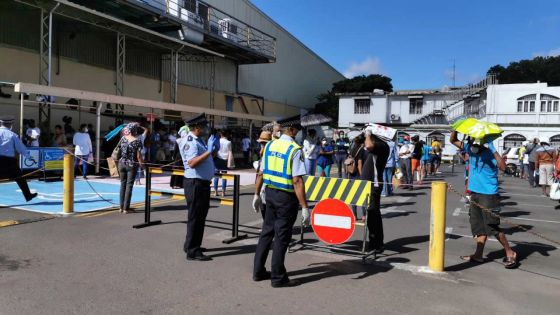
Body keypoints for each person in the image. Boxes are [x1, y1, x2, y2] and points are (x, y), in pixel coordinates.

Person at [253, 115, 309, 288]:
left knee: (266, 232)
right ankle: (278, 277)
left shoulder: (269, 145)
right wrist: (305, 207)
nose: (298, 134)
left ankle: (258, 271)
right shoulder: (294, 149)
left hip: (269, 195)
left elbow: (261, 172)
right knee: (281, 237)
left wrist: (256, 194)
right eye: (297, 131)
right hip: (286, 198)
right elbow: (297, 180)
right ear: (291, 130)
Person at [450, 131, 518, 269]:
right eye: (472, 141)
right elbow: (453, 140)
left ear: (483, 144)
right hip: (474, 193)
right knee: (478, 227)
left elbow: (503, 167)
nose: (473, 145)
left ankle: (510, 253)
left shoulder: (489, 153)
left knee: (492, 226)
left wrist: (493, 149)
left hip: (488, 195)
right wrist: (456, 128)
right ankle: (478, 255)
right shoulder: (471, 149)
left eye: (476, 143)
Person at [179, 113, 217, 262]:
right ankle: (193, 251)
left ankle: (191, 245)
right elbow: (192, 163)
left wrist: (211, 151)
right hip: (196, 184)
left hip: (201, 183)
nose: (206, 128)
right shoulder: (191, 142)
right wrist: (208, 151)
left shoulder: (199, 140)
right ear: (196, 127)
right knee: (196, 218)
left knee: (199, 217)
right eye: (203, 126)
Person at [362, 130, 389, 252]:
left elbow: (368, 145)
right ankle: (374, 242)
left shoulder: (382, 145)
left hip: (374, 184)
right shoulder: (375, 147)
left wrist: (368, 134)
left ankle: (377, 244)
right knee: (370, 214)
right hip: (367, 184)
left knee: (373, 214)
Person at [0, 116, 38, 202]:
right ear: (10, 125)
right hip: (9, 162)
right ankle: (28, 195)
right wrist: (29, 157)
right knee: (20, 178)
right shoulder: (12, 135)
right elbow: (21, 149)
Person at [117, 123, 145, 214]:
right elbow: (139, 156)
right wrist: (143, 166)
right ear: (135, 131)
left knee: (122, 185)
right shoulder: (137, 141)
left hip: (121, 163)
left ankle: (121, 207)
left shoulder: (123, 139)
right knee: (129, 185)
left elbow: (119, 150)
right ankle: (126, 208)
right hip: (131, 165)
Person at [252, 130, 273, 220]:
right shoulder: (264, 147)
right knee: (262, 206)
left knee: (266, 207)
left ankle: (267, 227)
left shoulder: (270, 149)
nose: (261, 145)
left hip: (267, 182)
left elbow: (261, 174)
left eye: (263, 143)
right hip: (262, 183)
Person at [348, 134, 366, 219]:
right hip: (358, 175)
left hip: (352, 174)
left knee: (353, 196)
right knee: (362, 195)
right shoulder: (361, 150)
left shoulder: (352, 149)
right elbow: (359, 163)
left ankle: (354, 215)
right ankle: (364, 215)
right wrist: (362, 175)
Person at [214, 130, 232, 197]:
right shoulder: (229, 142)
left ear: (220, 134)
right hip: (225, 160)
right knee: (224, 176)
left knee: (216, 176)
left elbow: (215, 150)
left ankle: (215, 192)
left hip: (217, 159)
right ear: (226, 134)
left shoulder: (217, 141)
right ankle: (223, 192)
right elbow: (230, 152)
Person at [170, 125, 189, 189]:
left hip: (178, 157)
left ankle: (174, 184)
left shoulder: (178, 140)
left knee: (176, 170)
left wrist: (173, 156)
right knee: (183, 170)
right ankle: (181, 184)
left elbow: (175, 150)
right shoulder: (188, 140)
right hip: (185, 157)